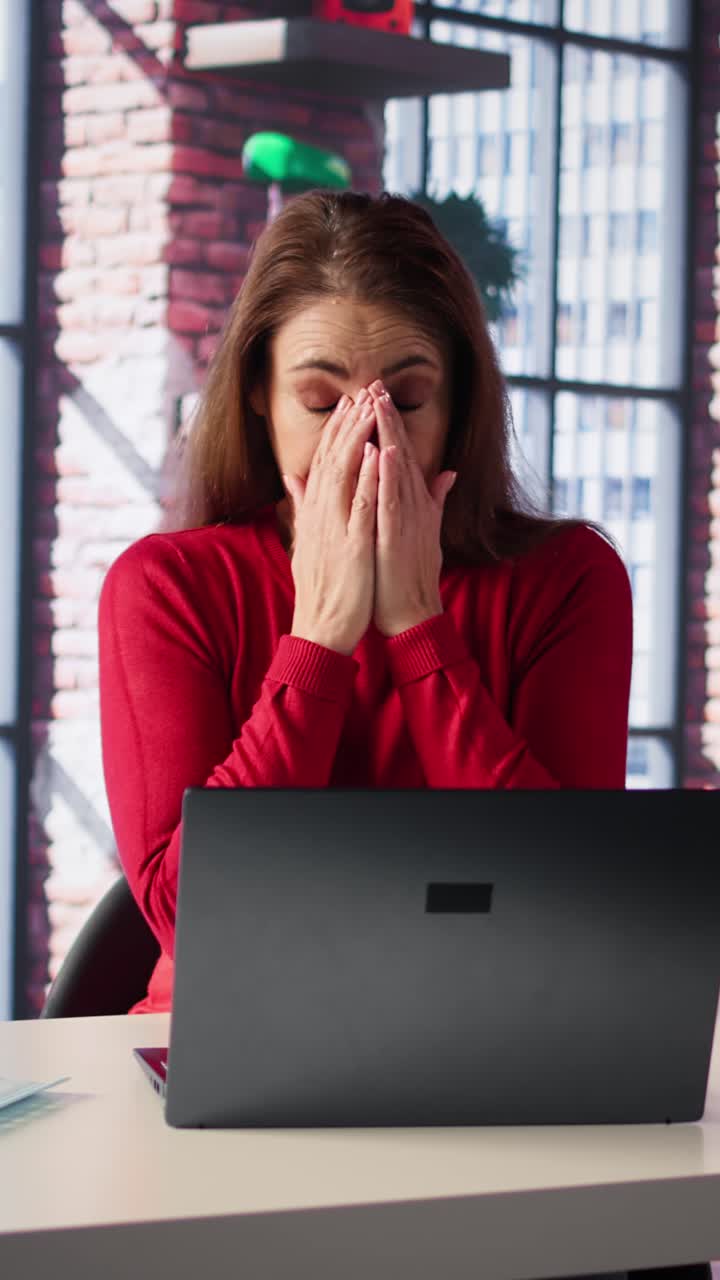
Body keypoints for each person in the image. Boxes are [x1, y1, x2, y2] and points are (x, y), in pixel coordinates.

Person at [98, 189, 633, 1019]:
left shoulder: (569, 579)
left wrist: (420, 629)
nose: (369, 437)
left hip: (498, 1042)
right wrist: (319, 637)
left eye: (408, 401)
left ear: (457, 406)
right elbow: (190, 918)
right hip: (227, 1046)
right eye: (320, 403)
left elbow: (569, 910)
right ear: (258, 396)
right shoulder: (166, 588)